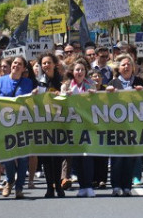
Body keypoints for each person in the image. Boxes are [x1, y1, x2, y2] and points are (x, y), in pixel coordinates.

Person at [0, 56, 35, 199]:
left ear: (23, 68)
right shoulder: (0, 81)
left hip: (22, 125)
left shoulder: (28, 83)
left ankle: (19, 187)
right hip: (5, 125)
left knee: (22, 158)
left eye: (20, 64)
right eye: (15, 63)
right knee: (8, 155)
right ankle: (9, 181)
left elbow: (32, 102)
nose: (16, 66)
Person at [106, 54, 143, 196]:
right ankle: (116, 186)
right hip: (117, 127)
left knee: (130, 158)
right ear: (119, 68)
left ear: (133, 67)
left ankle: (127, 186)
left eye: (129, 64)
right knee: (117, 158)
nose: (126, 67)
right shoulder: (113, 83)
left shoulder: (139, 81)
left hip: (133, 126)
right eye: (123, 64)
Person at [60, 58, 97, 197]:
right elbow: (59, 105)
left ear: (86, 71)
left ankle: (88, 185)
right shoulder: (66, 86)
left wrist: (95, 96)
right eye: (77, 69)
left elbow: (98, 104)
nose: (80, 72)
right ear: (72, 72)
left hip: (88, 126)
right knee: (76, 158)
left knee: (87, 156)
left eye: (82, 69)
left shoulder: (91, 84)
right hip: (72, 126)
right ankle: (82, 186)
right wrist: (65, 96)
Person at [37, 52, 67, 197]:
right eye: (44, 63)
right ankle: (50, 187)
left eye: (49, 62)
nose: (46, 65)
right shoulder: (39, 82)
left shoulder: (62, 81)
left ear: (55, 64)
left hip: (60, 123)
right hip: (44, 123)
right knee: (46, 158)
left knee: (58, 156)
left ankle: (58, 186)